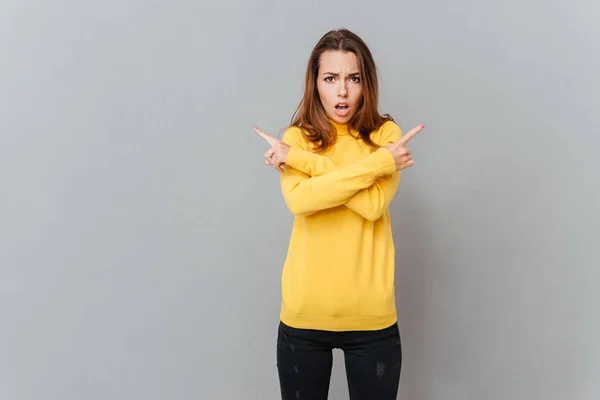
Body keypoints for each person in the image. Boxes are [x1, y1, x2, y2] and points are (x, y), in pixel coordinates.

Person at [253, 28, 424, 400]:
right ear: (315, 84)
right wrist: (377, 166)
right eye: (330, 78)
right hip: (304, 314)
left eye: (353, 78)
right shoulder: (298, 138)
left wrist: (300, 162)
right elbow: (300, 202)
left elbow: (372, 205)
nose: (342, 91)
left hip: (372, 317)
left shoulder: (385, 137)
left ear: (367, 83)